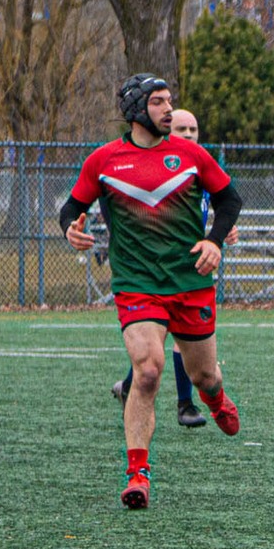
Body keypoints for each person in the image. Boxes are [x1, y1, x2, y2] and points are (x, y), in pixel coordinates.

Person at [61, 75, 245, 509]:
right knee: (147, 370)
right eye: (159, 102)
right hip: (137, 283)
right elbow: (74, 206)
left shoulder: (191, 155)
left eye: (170, 101)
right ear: (135, 110)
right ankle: (137, 474)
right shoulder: (104, 160)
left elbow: (230, 200)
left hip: (189, 282)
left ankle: (214, 397)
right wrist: (69, 226)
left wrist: (214, 241)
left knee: (204, 374)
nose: (169, 110)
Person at [109, 108, 225, 428]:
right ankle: (185, 405)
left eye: (194, 128)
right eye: (181, 128)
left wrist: (218, 233)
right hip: (151, 273)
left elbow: (220, 202)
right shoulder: (158, 166)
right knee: (160, 344)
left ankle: (130, 387)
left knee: (162, 349)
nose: (188, 135)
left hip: (190, 269)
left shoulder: (199, 164)